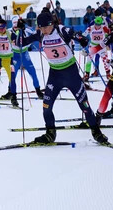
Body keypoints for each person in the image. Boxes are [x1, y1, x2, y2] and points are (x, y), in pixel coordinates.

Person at [20, 11, 108, 144]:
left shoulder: (63, 31)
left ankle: (96, 131)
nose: (43, 30)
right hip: (55, 75)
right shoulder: (40, 34)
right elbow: (21, 42)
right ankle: (50, 133)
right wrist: (19, 30)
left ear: (52, 24)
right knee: (46, 106)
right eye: (41, 27)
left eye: (45, 27)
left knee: (84, 105)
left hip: (71, 73)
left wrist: (81, 39)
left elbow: (77, 35)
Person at [9, 16, 43, 99]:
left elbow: (36, 33)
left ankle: (38, 90)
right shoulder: (9, 32)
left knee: (33, 72)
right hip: (15, 55)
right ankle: (10, 91)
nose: (16, 28)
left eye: (17, 26)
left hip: (24, 54)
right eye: (14, 26)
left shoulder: (26, 30)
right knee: (12, 75)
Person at [81, 15, 112, 82]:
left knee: (105, 60)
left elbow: (110, 33)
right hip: (93, 46)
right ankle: (87, 75)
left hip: (101, 47)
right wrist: (82, 40)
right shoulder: (90, 28)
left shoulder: (104, 28)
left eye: (99, 24)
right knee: (89, 60)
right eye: (96, 24)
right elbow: (83, 35)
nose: (97, 26)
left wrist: (110, 26)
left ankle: (108, 74)